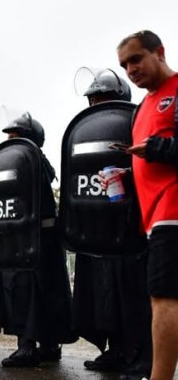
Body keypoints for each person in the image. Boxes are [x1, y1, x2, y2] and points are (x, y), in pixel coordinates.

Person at [72, 69, 152, 379]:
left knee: (134, 296)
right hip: (98, 229)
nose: (96, 105)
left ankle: (143, 358)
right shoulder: (86, 132)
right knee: (107, 297)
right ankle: (116, 350)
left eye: (101, 98)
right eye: (92, 100)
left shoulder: (137, 122)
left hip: (133, 227)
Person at [117, 30, 178, 380]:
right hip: (152, 217)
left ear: (160, 52)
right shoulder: (143, 107)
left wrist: (154, 150)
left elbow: (159, 150)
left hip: (173, 210)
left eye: (136, 59)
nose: (130, 69)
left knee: (163, 297)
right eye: (124, 65)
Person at [0, 112, 76, 368]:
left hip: (32, 239)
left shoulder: (29, 161)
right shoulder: (34, 162)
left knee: (30, 291)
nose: (9, 141)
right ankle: (48, 345)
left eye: (14, 136)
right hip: (36, 238)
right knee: (43, 290)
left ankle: (28, 346)